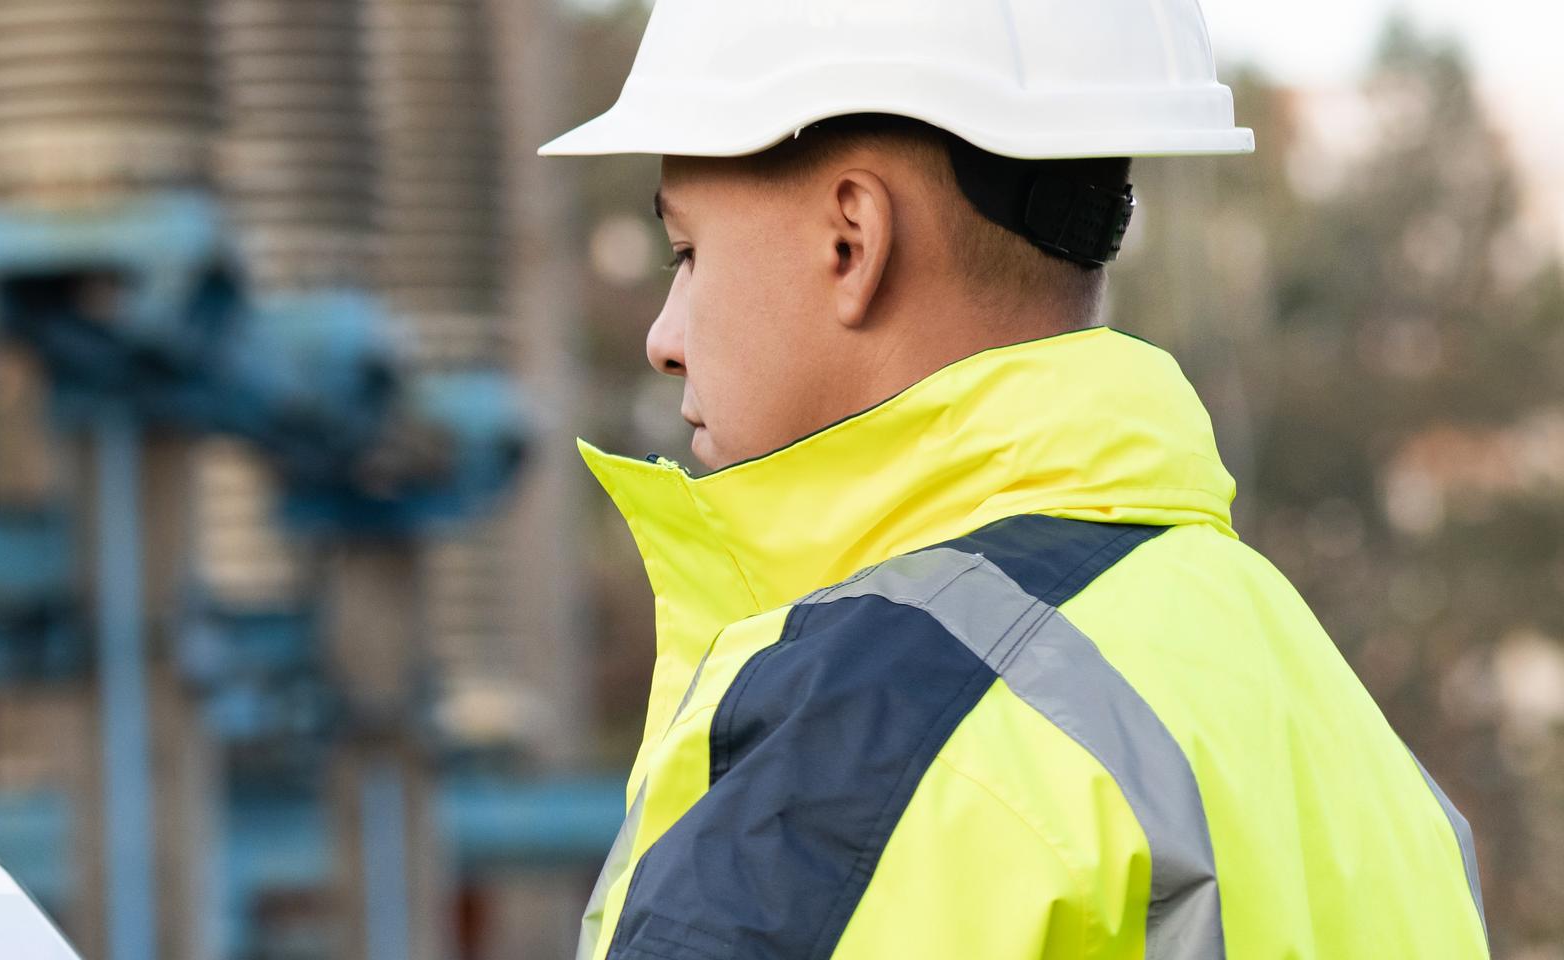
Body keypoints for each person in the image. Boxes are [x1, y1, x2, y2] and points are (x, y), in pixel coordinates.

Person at [539, 1, 1488, 957]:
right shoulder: (1326, 713)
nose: (665, 338)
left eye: (690, 254)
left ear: (851, 242)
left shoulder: (872, 737)